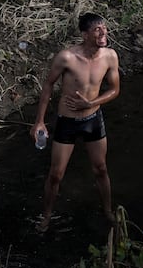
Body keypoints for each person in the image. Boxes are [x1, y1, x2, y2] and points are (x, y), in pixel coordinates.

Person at [31, 12, 121, 230]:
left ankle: (108, 211)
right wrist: (40, 121)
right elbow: (48, 85)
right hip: (68, 122)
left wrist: (91, 104)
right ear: (84, 35)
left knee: (100, 168)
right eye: (97, 30)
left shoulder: (110, 56)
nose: (103, 33)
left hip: (93, 119)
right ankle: (46, 216)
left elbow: (115, 89)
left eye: (104, 29)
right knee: (56, 174)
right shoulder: (67, 58)